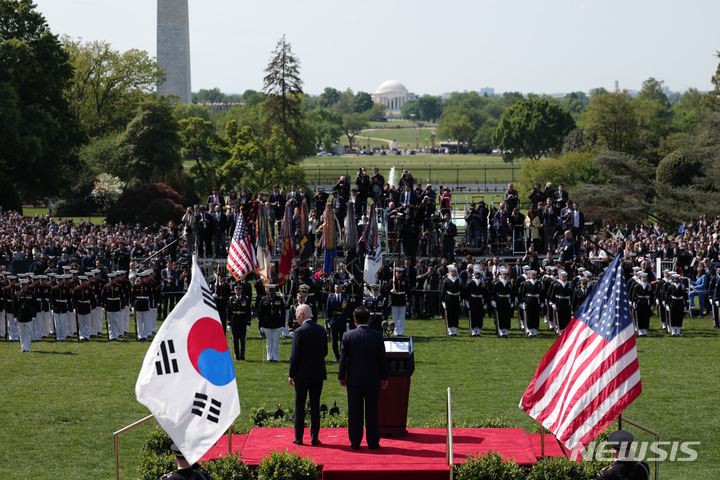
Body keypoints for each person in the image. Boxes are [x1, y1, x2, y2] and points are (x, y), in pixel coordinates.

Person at [338, 306, 389, 450]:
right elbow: (382, 359)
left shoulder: (347, 336)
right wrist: (385, 377)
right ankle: (373, 442)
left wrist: (342, 376)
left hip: (354, 380)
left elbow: (343, 359)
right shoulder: (377, 335)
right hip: (373, 380)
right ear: (369, 319)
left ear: (354, 320)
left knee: (354, 412)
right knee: (372, 412)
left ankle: (355, 442)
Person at [288, 304, 327, 446]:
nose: (296, 317)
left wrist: (291, 374)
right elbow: (325, 352)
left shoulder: (299, 332)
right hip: (317, 373)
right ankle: (314, 437)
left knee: (300, 406)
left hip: (302, 375)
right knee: (315, 406)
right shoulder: (321, 329)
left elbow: (295, 356)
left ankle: (299, 437)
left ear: (303, 315)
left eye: (297, 314)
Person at [257, 284, 285, 361]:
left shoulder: (279, 299)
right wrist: (260, 326)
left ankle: (275, 357)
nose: (271, 292)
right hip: (267, 324)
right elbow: (260, 313)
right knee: (269, 342)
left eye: (272, 290)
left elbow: (283, 313)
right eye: (269, 290)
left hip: (277, 323)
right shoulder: (263, 300)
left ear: (274, 290)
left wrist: (283, 324)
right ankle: (269, 357)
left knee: (275, 342)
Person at [325, 282, 349, 361]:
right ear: (334, 288)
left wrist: (348, 320)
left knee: (343, 339)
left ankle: (343, 355)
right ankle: (336, 355)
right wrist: (328, 321)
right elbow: (328, 310)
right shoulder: (330, 297)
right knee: (334, 340)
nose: (338, 288)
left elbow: (348, 309)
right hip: (334, 320)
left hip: (342, 320)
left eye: (339, 287)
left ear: (342, 288)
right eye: (336, 287)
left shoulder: (345, 297)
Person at [228, 284, 251, 360]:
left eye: (239, 289)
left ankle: (242, 356)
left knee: (243, 340)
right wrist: (229, 323)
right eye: (236, 289)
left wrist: (248, 323)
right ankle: (236, 356)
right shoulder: (231, 299)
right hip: (234, 322)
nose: (238, 291)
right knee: (235, 340)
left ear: (242, 290)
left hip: (243, 321)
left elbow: (248, 311)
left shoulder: (246, 299)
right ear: (234, 290)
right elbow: (229, 312)